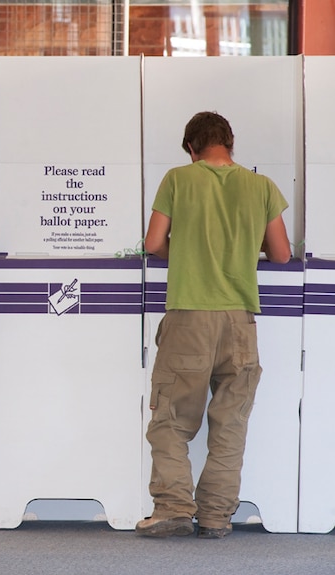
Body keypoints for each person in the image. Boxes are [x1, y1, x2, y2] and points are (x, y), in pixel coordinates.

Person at [136, 111, 291, 539]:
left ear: (191, 148)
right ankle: (216, 516)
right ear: (231, 143)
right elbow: (281, 253)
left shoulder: (179, 179)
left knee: (169, 419)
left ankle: (172, 508)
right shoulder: (261, 187)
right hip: (241, 322)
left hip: (189, 316)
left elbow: (153, 243)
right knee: (230, 424)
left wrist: (186, 246)